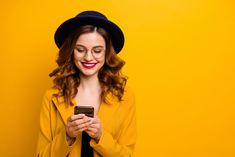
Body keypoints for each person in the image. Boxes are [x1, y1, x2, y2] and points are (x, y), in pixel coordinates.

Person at [36, 10, 137, 157]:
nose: (88, 57)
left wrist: (100, 136)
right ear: (71, 51)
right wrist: (67, 135)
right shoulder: (52, 97)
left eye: (97, 50)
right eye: (80, 49)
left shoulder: (125, 96)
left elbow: (127, 155)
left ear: (107, 52)